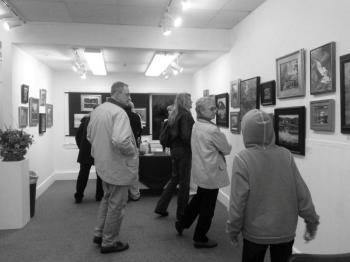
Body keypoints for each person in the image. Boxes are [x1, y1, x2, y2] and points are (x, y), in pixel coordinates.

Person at [227, 109, 320, 262]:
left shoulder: (242, 159)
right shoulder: (286, 155)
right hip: (284, 229)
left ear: (246, 132)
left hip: (255, 232)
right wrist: (311, 220)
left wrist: (233, 229)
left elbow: (238, 201)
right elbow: (302, 192)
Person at [87, 81, 138, 254]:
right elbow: (121, 141)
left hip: (103, 165)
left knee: (107, 199)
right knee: (117, 205)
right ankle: (109, 242)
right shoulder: (119, 113)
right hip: (118, 167)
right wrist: (133, 151)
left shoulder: (98, 110)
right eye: (127, 94)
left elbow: (89, 136)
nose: (129, 98)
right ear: (116, 93)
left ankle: (99, 234)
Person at [175, 96, 232, 248]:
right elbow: (226, 149)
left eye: (215, 108)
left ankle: (182, 223)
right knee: (208, 208)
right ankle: (200, 237)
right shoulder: (212, 129)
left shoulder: (197, 125)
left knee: (199, 200)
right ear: (200, 110)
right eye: (211, 108)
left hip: (201, 170)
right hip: (211, 173)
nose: (215, 111)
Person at [154, 93, 194, 220]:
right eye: (190, 100)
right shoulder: (186, 115)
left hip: (174, 151)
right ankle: (182, 214)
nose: (192, 102)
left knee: (174, 179)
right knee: (184, 183)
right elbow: (186, 136)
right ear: (185, 101)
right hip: (184, 152)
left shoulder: (174, 114)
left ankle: (161, 207)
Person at [74, 111, 104, 203]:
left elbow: (77, 137)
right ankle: (99, 196)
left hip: (85, 151)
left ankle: (79, 196)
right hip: (99, 151)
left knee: (83, 174)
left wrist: (81, 147)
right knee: (100, 175)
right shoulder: (102, 122)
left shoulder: (85, 121)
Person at [125, 100, 142, 201]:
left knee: (122, 172)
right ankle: (135, 194)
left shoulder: (119, 116)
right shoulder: (136, 116)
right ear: (132, 107)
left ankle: (124, 195)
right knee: (134, 172)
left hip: (121, 148)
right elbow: (140, 131)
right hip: (133, 145)